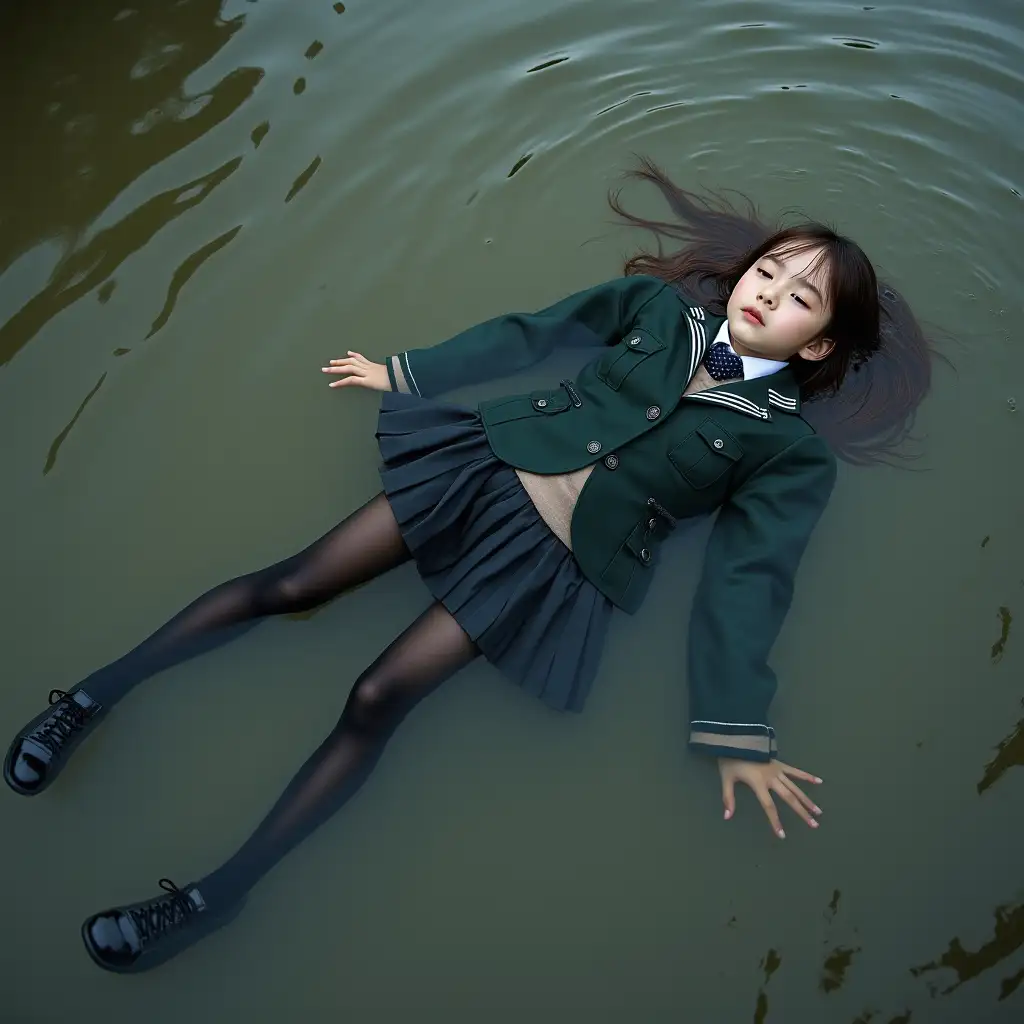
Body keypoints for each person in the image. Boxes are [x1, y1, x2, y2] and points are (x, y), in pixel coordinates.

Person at [3, 160, 934, 973]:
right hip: (482, 466)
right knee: (293, 585)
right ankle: (89, 699)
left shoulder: (788, 452)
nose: (769, 290)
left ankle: (217, 896)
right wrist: (409, 372)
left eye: (800, 296)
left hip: (556, 561)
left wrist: (739, 732)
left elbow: (749, 578)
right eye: (770, 269)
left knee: (377, 699)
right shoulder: (660, 312)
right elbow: (534, 334)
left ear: (816, 345)